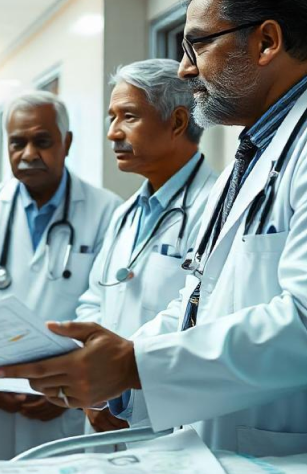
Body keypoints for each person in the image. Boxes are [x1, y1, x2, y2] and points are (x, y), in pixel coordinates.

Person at [0, 0, 307, 457]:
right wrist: (122, 366)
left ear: (266, 42)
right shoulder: (251, 156)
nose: (185, 69)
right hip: (234, 450)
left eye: (197, 45)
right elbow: (197, 299)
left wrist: (135, 365)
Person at [0, 91, 121, 460]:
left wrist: (64, 385)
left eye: (42, 141)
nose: (28, 154)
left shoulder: (107, 211)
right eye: (17, 142)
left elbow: (105, 305)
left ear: (66, 142)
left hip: (69, 398)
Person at [76, 59, 217, 436]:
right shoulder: (125, 213)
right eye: (111, 117)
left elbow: (199, 312)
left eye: (128, 116)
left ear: (177, 122)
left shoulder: (216, 205)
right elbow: (95, 298)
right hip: (105, 406)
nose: (112, 133)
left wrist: (121, 377)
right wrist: (95, 379)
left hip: (165, 412)